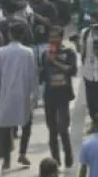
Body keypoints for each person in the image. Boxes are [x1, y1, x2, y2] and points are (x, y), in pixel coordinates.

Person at [0, 22, 38, 168]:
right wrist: (35, 94)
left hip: (6, 93)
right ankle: (22, 153)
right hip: (23, 93)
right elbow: (33, 75)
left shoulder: (1, 52)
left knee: (5, 127)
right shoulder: (28, 52)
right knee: (26, 124)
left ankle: (7, 159)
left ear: (9, 35)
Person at [40, 25, 77, 167]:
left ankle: (68, 155)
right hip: (49, 96)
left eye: (55, 37)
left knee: (63, 128)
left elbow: (72, 70)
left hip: (63, 96)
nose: (52, 39)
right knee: (52, 130)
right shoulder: (45, 53)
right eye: (51, 37)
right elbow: (43, 75)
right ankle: (55, 160)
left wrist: (55, 61)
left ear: (61, 38)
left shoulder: (69, 53)